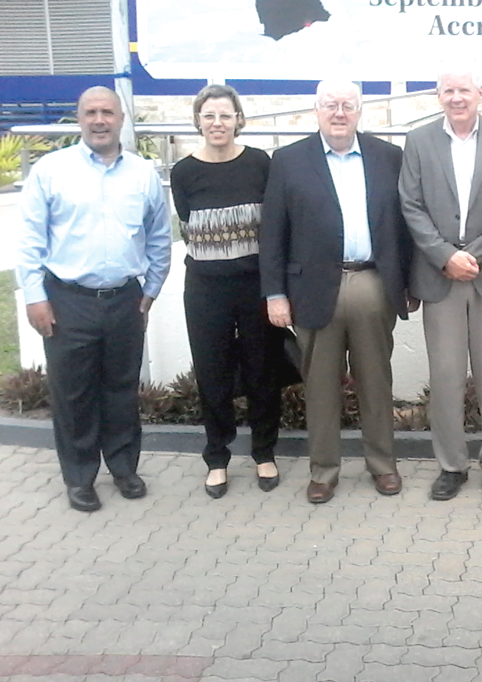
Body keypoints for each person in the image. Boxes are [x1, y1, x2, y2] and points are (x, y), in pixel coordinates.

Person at [16, 86, 172, 512]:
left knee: (121, 390)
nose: (99, 120)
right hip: (68, 301)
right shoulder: (51, 170)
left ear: (121, 118)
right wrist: (35, 297)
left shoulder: (143, 174)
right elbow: (29, 240)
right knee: (73, 394)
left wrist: (151, 289)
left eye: (107, 112)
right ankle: (80, 477)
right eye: (90, 113)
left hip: (125, 299)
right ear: (79, 118)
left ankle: (124, 468)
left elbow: (159, 238)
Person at [260, 80, 414, 504]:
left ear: (360, 110)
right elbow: (273, 233)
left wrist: (408, 285)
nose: (340, 112)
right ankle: (324, 471)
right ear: (317, 110)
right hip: (312, 289)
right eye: (331, 105)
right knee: (321, 387)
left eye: (348, 105)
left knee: (376, 382)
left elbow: (404, 228)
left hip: (373, 284)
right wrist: (275, 293)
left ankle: (383, 466)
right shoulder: (289, 161)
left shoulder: (388, 157)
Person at [399, 67, 482, 501]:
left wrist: (473, 256)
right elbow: (410, 205)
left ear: (480, 94)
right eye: (449, 90)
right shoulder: (418, 141)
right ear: (438, 96)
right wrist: (445, 256)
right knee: (447, 376)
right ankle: (452, 465)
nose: (457, 97)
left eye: (464, 90)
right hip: (441, 277)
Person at [170, 84, 285, 499]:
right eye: (209, 116)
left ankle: (263, 452)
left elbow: (273, 225)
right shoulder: (183, 172)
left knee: (262, 371)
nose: (217, 123)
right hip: (205, 289)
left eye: (225, 115)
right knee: (212, 374)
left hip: (254, 286)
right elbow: (187, 220)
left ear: (239, 119)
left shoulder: (259, 163)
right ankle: (216, 457)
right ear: (198, 120)